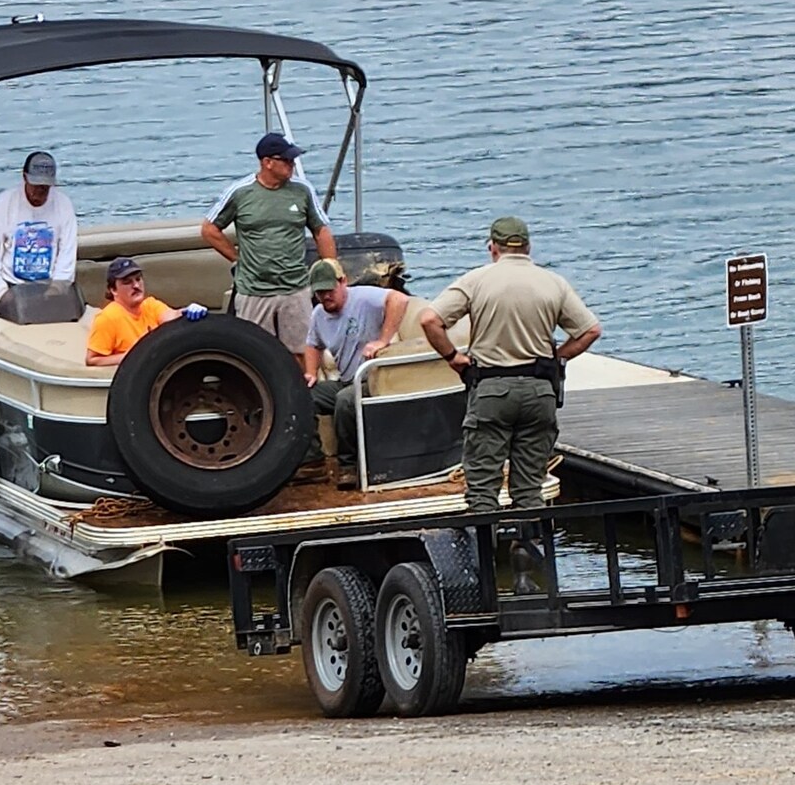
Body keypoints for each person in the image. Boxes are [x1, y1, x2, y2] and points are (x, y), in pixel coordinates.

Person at [418, 215, 601, 515]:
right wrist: (557, 358)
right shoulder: (553, 282)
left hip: (492, 391)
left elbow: (430, 320)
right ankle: (529, 553)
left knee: (483, 491)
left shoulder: (476, 280)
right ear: (528, 247)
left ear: (493, 248)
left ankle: (484, 557)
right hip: (539, 392)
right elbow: (590, 330)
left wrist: (453, 357)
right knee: (530, 490)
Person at [200, 132, 339, 383]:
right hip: (255, 290)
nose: (291, 165)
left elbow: (321, 230)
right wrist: (237, 258)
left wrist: (332, 271)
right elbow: (209, 229)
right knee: (255, 355)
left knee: (302, 350)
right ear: (267, 162)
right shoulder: (240, 193)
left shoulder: (302, 190)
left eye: (292, 160)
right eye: (286, 160)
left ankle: (306, 398)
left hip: (294, 287)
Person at [304, 257, 410, 476]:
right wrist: (311, 373)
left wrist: (383, 340)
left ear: (342, 282)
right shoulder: (318, 314)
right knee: (304, 396)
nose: (325, 297)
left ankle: (348, 465)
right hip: (346, 379)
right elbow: (313, 345)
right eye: (319, 292)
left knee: (345, 401)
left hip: (374, 378)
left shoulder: (364, 297)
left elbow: (399, 300)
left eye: (329, 290)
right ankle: (312, 461)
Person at [0, 150, 78, 300]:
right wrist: (1, 291)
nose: (40, 191)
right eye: (36, 185)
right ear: (25, 177)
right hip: (12, 286)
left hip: (49, 287)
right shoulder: (6, 202)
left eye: (45, 187)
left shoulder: (63, 205)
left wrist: (57, 288)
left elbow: (67, 253)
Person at [84, 257, 181, 366]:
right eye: (127, 282)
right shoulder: (107, 318)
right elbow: (92, 360)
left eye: (138, 279)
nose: (136, 286)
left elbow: (172, 316)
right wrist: (132, 356)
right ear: (113, 290)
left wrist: (186, 312)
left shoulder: (150, 305)